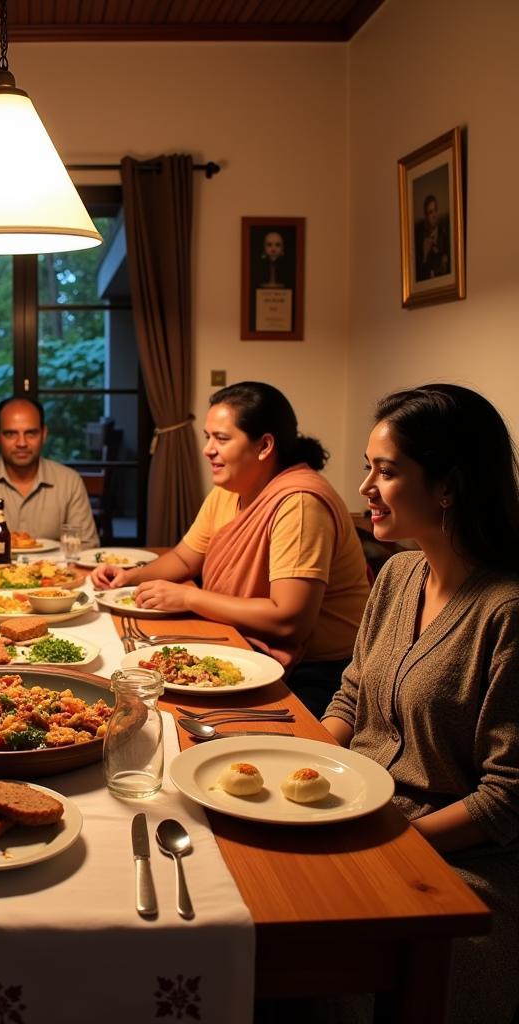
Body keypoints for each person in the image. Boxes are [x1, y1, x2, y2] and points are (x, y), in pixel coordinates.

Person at [323, 384, 519, 1024]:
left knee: (318, 950)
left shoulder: (505, 612)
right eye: (366, 468)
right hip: (364, 815)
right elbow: (352, 693)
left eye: (386, 471)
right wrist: (300, 761)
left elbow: (506, 799)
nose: (365, 489)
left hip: (461, 861)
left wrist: (389, 840)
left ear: (448, 487)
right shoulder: (401, 572)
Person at [90, 381, 370, 719]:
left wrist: (189, 598)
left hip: (318, 672)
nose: (208, 449)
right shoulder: (231, 487)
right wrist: (128, 576)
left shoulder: (298, 503)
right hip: (245, 645)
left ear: (265, 445)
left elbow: (289, 622)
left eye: (221, 439)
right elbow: (184, 557)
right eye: (207, 437)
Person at [0, 396, 99, 549]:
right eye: (11, 434)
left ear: (44, 434)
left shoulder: (69, 481)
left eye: (31, 433)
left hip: (55, 571)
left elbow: (86, 546)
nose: (22, 443)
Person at [415, 194, 451, 280]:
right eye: (430, 212)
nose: (434, 215)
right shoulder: (421, 239)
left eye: (435, 211)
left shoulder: (445, 233)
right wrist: (424, 256)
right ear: (426, 216)